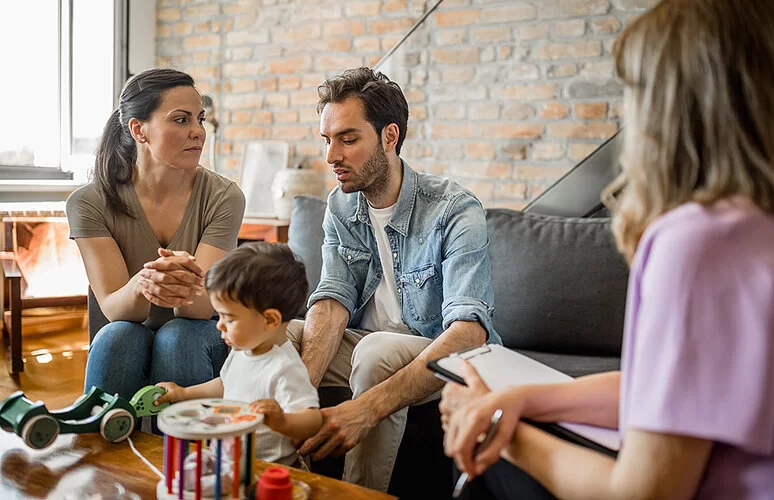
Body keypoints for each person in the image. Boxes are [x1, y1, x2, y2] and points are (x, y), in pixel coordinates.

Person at [439, 0, 774, 498]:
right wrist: (518, 397)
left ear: (664, 110)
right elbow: (665, 393)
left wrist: (501, 431)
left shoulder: (700, 242)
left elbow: (645, 492)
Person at [287, 67, 501, 492]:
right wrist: (301, 394)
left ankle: (357, 494)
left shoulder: (454, 210)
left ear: (389, 137)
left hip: (441, 357)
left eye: (348, 139)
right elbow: (332, 299)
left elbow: (468, 333)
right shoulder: (342, 206)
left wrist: (364, 409)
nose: (332, 157)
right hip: (368, 344)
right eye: (327, 140)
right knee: (281, 336)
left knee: (376, 350)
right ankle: (277, 477)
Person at [66, 68, 245, 402]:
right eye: (181, 120)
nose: (198, 133)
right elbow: (118, 309)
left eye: (200, 119)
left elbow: (200, 309)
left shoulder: (225, 197)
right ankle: (104, 445)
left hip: (196, 330)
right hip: (125, 328)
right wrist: (147, 280)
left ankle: (188, 452)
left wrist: (173, 282)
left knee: (180, 336)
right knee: (118, 336)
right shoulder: (89, 202)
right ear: (139, 130)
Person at [155, 242, 321, 467]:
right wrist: (183, 393)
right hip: (230, 460)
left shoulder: (285, 367)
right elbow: (225, 383)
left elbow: (312, 420)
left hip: (268, 469)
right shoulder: (242, 351)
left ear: (270, 320)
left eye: (229, 319)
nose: (219, 326)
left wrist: (282, 421)